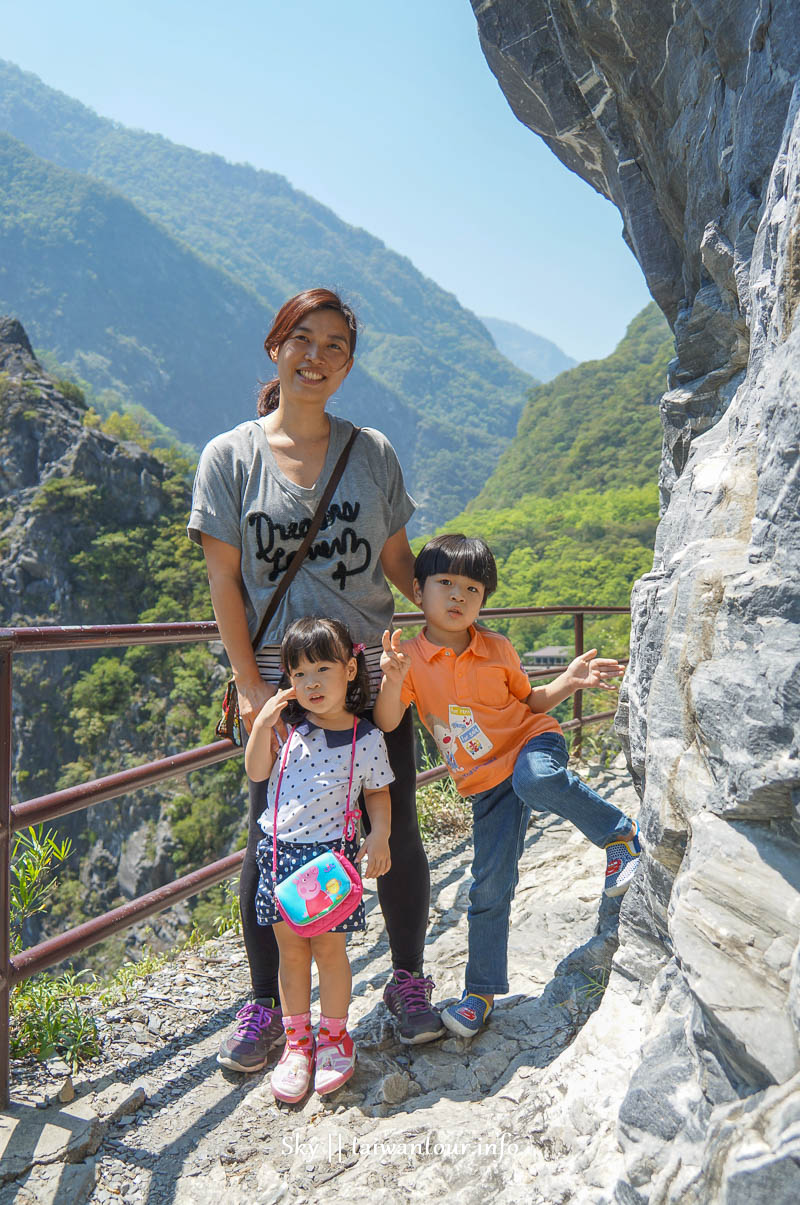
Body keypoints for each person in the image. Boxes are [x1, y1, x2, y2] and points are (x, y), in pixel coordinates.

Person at [188, 288, 442, 1071]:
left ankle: (406, 982)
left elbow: (400, 565)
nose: (316, 356)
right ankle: (266, 1007)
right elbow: (224, 584)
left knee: (391, 828)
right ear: (275, 346)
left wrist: (455, 611)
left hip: (367, 682)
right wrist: (252, 687)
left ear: (349, 364)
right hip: (278, 689)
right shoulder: (230, 457)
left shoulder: (371, 454)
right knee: (270, 843)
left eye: (335, 345)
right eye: (303, 338)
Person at [375, 534, 642, 1039]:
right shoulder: (409, 658)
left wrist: (569, 679)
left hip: (530, 744)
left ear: (483, 600)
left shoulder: (496, 648)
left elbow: (533, 703)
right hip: (484, 782)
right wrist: (392, 679)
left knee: (538, 779)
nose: (458, 596)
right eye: (446, 583)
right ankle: (479, 994)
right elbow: (389, 721)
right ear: (418, 590)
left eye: (472, 589)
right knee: (489, 885)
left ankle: (619, 835)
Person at [246, 617, 392, 1102]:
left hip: (329, 860)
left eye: (323, 669)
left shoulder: (364, 738)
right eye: (299, 672)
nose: (310, 682)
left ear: (350, 671)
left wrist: (380, 837)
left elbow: (377, 797)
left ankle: (333, 1038)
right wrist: (264, 722)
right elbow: (256, 772)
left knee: (329, 951)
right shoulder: (289, 728)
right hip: (278, 854)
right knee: (290, 951)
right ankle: (296, 1045)